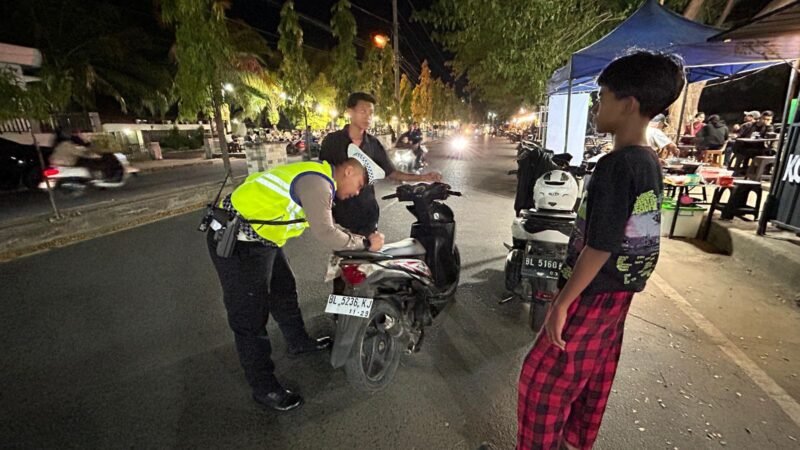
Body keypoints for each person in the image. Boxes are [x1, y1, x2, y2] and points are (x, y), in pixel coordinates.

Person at [517, 51, 683, 450]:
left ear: (628, 105)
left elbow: (600, 246)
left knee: (541, 385)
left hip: (594, 293)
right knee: (591, 381)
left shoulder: (617, 165)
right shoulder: (648, 162)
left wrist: (562, 303)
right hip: (619, 293)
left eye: (603, 96)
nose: (596, 105)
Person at [206, 149, 386, 413]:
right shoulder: (318, 183)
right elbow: (325, 232)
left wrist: (355, 239)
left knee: (284, 290)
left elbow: (326, 223)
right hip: (237, 242)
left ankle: (298, 342)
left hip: (263, 239)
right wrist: (367, 244)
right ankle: (264, 387)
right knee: (249, 318)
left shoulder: (320, 179)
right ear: (348, 171)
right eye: (360, 184)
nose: (357, 192)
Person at [319, 92, 441, 238]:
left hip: (367, 216)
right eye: (363, 111)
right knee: (343, 252)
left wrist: (423, 177)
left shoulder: (373, 144)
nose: (368, 117)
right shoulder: (332, 142)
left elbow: (391, 172)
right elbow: (322, 178)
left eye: (371, 113)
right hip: (340, 218)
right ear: (350, 112)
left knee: (369, 251)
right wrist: (326, 213)